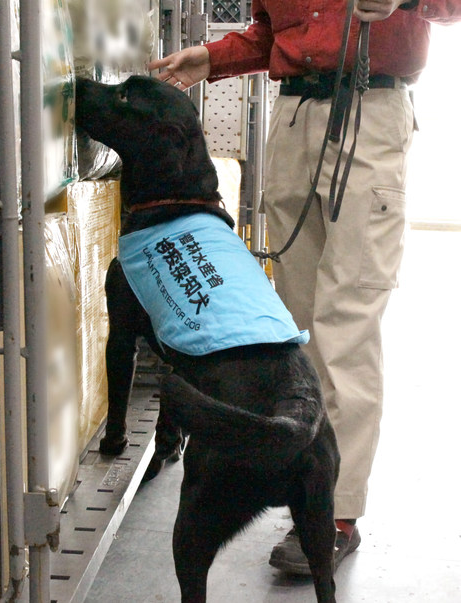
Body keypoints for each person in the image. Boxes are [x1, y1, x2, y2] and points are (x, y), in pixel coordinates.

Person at [149, 0, 461, 575]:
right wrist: (211, 58)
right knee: (295, 322)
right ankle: (305, 478)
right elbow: (274, 32)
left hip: (371, 109)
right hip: (292, 118)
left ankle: (336, 513)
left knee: (347, 319)